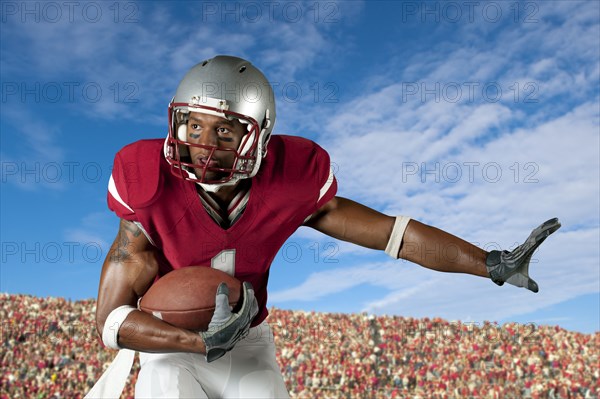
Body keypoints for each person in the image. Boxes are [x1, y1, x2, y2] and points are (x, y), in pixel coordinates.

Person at [86, 55, 560, 399]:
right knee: (165, 386)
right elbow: (109, 320)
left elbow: (390, 234)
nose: (204, 145)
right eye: (194, 127)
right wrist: (193, 340)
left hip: (248, 339)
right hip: (170, 341)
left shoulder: (293, 179)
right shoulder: (145, 182)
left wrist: (490, 263)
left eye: (225, 131)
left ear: (259, 137)